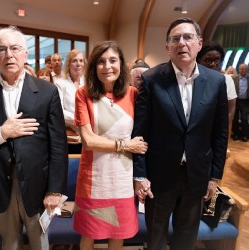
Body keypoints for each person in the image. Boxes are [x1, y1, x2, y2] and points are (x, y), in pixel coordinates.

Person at [0, 26, 68, 250]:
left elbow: (58, 144)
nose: (9, 54)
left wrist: (54, 190)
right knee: (9, 244)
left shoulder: (47, 91)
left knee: (40, 243)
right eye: (2, 49)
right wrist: (2, 133)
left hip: (38, 185)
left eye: (15, 48)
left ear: (25, 54)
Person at [132, 17, 228, 250]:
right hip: (159, 176)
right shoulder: (152, 79)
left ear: (199, 43)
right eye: (175, 39)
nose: (182, 43)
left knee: (186, 239)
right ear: (168, 47)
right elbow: (140, 133)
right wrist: (140, 176)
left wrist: (214, 177)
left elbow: (220, 133)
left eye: (188, 37)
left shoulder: (216, 81)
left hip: (196, 176)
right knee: (154, 237)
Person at [73, 41, 148, 250]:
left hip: (122, 177)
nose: (107, 67)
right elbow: (89, 141)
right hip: (94, 178)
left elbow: (141, 139)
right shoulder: (83, 94)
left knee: (118, 234)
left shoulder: (133, 94)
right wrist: (125, 146)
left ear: (121, 64)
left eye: (113, 60)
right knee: (89, 234)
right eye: (101, 62)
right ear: (94, 67)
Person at [196, 41, 237, 137]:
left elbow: (231, 109)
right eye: (208, 60)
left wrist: (221, 128)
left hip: (216, 130)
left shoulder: (226, 79)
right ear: (199, 60)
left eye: (217, 59)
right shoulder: (193, 78)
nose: (213, 64)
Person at [55, 49, 86, 154]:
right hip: (69, 138)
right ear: (68, 64)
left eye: (81, 61)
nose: (78, 64)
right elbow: (58, 110)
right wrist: (80, 119)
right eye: (74, 61)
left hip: (88, 135)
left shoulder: (88, 84)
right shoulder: (60, 84)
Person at [232, 63, 249, 142]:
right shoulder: (234, 78)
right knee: (234, 118)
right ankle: (236, 134)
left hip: (245, 102)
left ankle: (245, 135)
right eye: (242, 69)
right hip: (236, 101)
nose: (243, 70)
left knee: (244, 118)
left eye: (245, 69)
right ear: (239, 70)